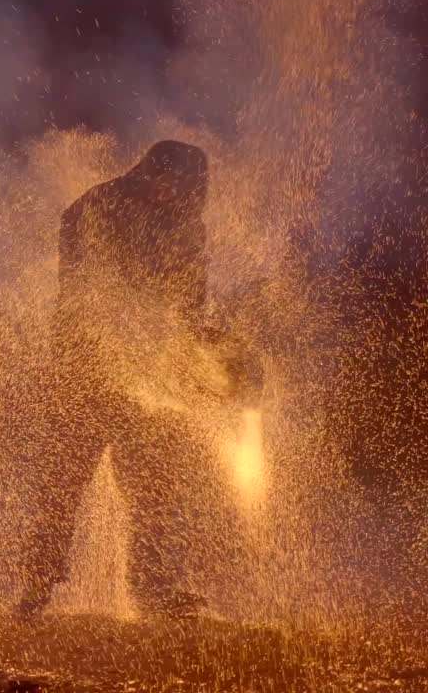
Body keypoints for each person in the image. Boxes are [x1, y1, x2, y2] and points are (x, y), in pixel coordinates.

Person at [17, 140, 255, 620]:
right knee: (63, 481)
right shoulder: (98, 206)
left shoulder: (187, 221)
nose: (184, 197)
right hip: (83, 370)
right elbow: (103, 291)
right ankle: (36, 589)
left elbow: (188, 306)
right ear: (150, 175)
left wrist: (221, 355)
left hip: (145, 376)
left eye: (192, 190)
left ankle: (153, 590)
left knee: (154, 483)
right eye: (176, 186)